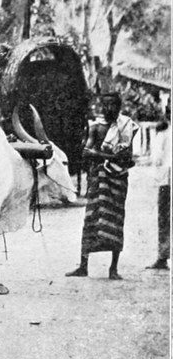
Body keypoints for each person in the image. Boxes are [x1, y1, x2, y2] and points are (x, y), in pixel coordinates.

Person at [66, 92, 139, 280]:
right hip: (98, 178)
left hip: (118, 179)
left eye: (113, 104)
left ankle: (113, 269)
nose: (109, 108)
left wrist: (103, 156)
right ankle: (83, 266)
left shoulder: (126, 127)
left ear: (119, 106)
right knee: (91, 218)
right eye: (106, 104)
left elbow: (128, 157)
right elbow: (86, 151)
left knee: (116, 220)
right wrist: (107, 156)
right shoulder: (95, 127)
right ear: (101, 106)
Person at [147, 106, 170, 270]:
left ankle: (163, 255)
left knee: (165, 218)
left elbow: (156, 158)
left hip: (166, 179)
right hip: (166, 177)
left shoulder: (162, 133)